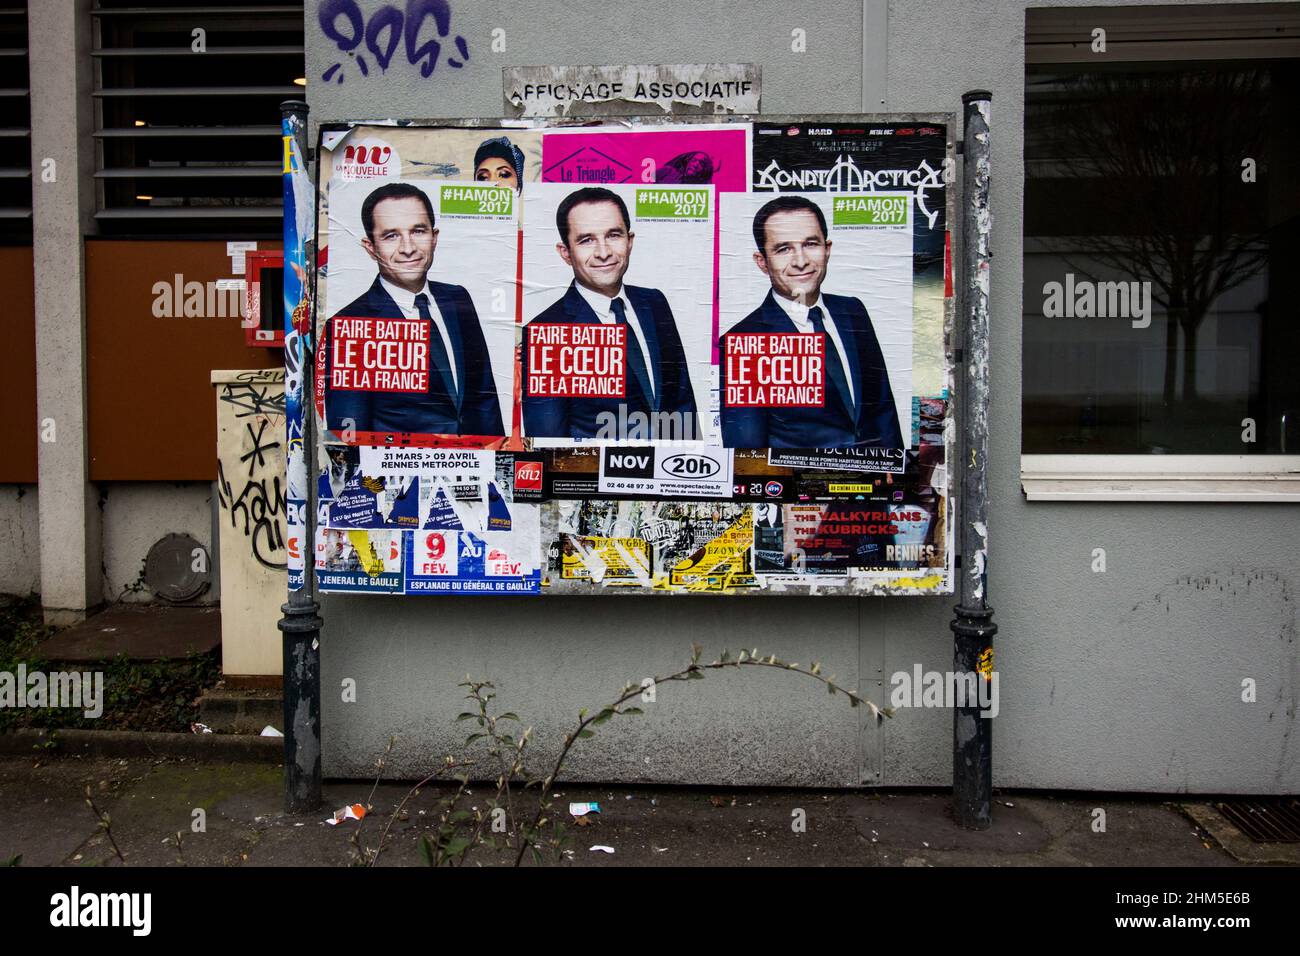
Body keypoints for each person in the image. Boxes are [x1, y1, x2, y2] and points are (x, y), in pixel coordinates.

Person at [721, 195, 903, 450]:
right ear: (762, 261)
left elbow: (884, 411)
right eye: (783, 249)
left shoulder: (853, 310)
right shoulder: (741, 340)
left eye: (810, 244)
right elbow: (748, 453)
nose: (800, 261)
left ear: (827, 249)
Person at [325, 181, 504, 438]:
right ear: (370, 247)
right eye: (391, 235)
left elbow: (485, 396)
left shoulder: (457, 297)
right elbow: (349, 431)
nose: (408, 248)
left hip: (475, 468)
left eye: (418, 231)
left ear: (434, 237)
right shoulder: (351, 323)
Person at [523, 186, 698, 439]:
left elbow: (684, 406)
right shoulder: (547, 330)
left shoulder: (655, 302)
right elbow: (549, 441)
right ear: (566, 253)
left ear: (630, 240)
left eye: (614, 235)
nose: (603, 252)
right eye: (586, 240)